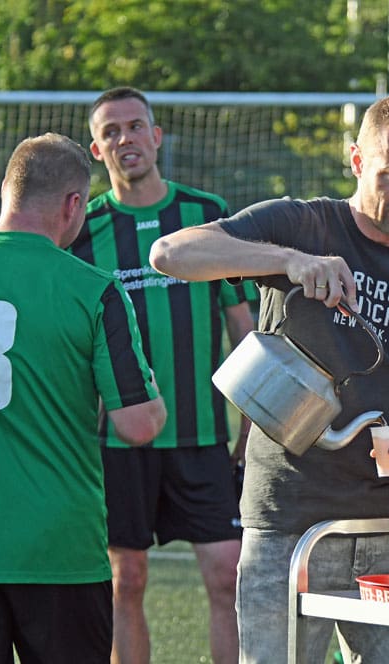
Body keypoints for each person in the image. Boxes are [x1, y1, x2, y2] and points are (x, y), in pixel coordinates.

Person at [149, 94, 389, 663]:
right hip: (288, 517)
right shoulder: (302, 224)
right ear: (356, 160)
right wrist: (288, 262)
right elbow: (170, 253)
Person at [70, 86, 254, 664]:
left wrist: (252, 427)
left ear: (156, 136)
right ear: (96, 151)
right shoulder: (83, 230)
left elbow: (244, 334)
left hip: (202, 435)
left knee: (229, 575)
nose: (125, 138)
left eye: (135, 126)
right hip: (119, 440)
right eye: (111, 132)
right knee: (127, 581)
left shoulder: (205, 215)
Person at [0, 133, 166, 663]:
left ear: (7, 191)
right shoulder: (93, 288)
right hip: (58, 548)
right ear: (75, 205)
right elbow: (138, 424)